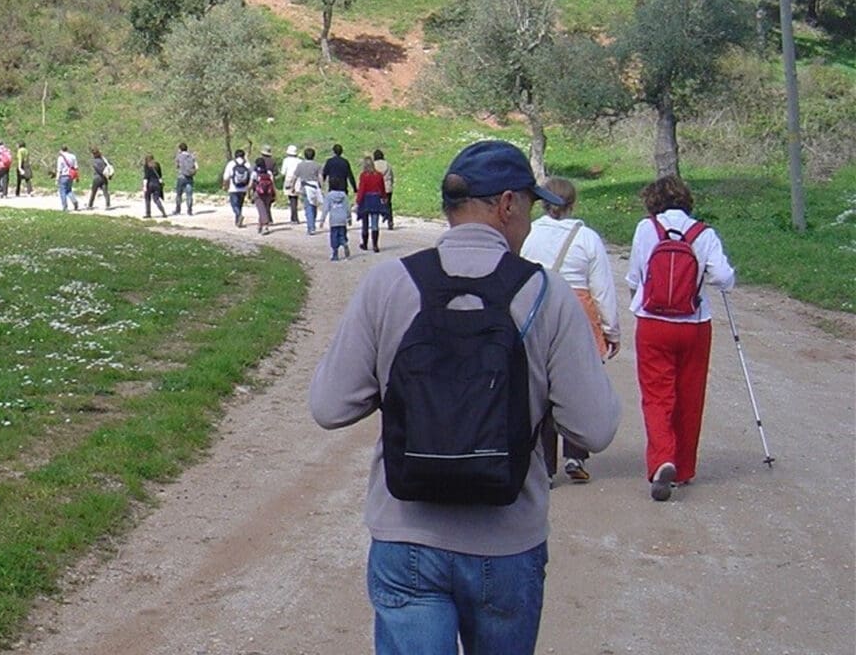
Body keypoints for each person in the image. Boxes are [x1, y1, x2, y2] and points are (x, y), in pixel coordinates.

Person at [310, 139, 620, 655]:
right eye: (529, 206)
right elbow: (594, 428)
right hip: (505, 544)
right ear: (507, 204)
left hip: (406, 536)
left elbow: (330, 406)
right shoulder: (545, 293)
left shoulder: (389, 284)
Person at [625, 174, 736, 502]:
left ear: (652, 201)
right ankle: (684, 467)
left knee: (657, 396)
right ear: (687, 201)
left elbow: (634, 276)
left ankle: (663, 459)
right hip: (694, 323)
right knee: (690, 394)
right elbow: (724, 278)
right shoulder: (704, 233)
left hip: (652, 323)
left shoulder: (646, 229)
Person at [520, 176, 620, 484]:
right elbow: (602, 287)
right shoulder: (587, 237)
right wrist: (610, 329)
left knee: (541, 384)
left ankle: (546, 464)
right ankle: (576, 455)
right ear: (572, 204)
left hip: (538, 305)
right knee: (579, 382)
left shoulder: (529, 233)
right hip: (579, 309)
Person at [357, 154, 387, 253]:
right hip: (375, 199)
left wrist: (358, 200)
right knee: (375, 224)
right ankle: (375, 245)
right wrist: (384, 197)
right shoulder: (379, 175)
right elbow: (382, 188)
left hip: (366, 199)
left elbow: (362, 189)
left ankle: (365, 244)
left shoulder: (363, 176)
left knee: (365, 223)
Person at [294, 147, 324, 235]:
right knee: (314, 206)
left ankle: (311, 227)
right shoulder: (317, 165)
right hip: (315, 187)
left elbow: (295, 177)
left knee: (308, 207)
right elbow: (320, 177)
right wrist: (321, 186)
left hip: (305, 188)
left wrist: (292, 186)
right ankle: (312, 224)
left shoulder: (300, 165)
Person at [222, 150, 253, 228]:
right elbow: (252, 175)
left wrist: (225, 185)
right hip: (244, 188)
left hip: (233, 188)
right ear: (243, 155)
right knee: (240, 204)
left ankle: (239, 215)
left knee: (234, 205)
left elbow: (226, 177)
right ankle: (238, 221)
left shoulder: (231, 164)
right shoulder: (247, 164)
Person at [323, 184, 352, 260]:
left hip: (334, 220)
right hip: (343, 219)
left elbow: (325, 208)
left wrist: (322, 220)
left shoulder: (329, 196)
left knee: (334, 237)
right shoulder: (344, 195)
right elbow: (348, 207)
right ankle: (344, 243)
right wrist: (349, 218)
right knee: (342, 234)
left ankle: (335, 254)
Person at [252, 156, 278, 235]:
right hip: (268, 193)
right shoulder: (269, 172)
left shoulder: (255, 173)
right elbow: (272, 183)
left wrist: (249, 192)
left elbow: (251, 183)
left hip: (258, 193)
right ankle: (260, 225)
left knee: (261, 209)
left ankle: (265, 226)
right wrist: (275, 193)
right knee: (265, 209)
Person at [173, 143, 198, 215]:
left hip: (181, 177)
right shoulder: (191, 156)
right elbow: (197, 167)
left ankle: (178, 210)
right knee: (189, 195)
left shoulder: (179, 156)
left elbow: (177, 166)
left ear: (180, 149)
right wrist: (193, 172)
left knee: (179, 194)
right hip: (190, 177)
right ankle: (189, 210)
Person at [374, 149, 396, 230]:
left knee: (377, 204)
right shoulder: (388, 165)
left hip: (378, 188)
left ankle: (384, 214)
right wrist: (391, 183)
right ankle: (390, 220)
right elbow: (391, 175)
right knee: (388, 204)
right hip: (388, 186)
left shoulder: (374, 165)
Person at [281, 144, 303, 224]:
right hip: (297, 180)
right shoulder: (300, 161)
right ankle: (295, 217)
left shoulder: (286, 160)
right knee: (295, 198)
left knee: (291, 198)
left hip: (289, 179)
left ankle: (293, 217)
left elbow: (283, 172)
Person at [142, 154, 167, 218]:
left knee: (147, 198)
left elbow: (146, 177)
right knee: (156, 199)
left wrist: (144, 186)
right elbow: (160, 175)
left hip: (149, 184)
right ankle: (163, 212)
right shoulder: (157, 164)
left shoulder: (146, 165)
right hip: (157, 183)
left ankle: (148, 213)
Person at [56, 145, 80, 211]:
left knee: (62, 191)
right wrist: (77, 176)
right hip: (71, 175)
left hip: (63, 175)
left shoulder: (60, 158)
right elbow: (76, 167)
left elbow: (59, 169)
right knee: (69, 190)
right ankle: (74, 201)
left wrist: (57, 178)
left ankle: (65, 207)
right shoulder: (73, 156)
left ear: (61, 150)